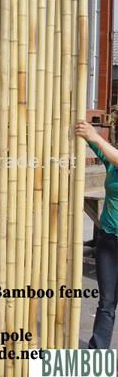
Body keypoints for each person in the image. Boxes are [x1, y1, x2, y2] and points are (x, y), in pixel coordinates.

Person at [75, 120, 118, 349]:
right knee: (106, 303)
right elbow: (101, 149)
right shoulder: (112, 162)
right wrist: (83, 131)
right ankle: (96, 359)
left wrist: (95, 136)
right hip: (109, 241)